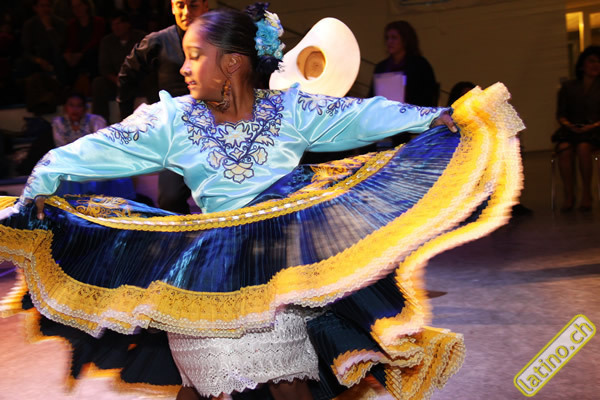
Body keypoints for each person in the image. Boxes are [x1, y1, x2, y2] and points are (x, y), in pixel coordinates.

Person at [0, 4, 525, 400]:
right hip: (205, 276)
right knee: (202, 384)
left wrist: (431, 117)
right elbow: (96, 149)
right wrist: (41, 181)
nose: (183, 68)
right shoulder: (171, 119)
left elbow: (361, 115)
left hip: (277, 280)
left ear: (232, 63)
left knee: (288, 385)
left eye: (194, 56)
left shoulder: (291, 111)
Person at [117, 0, 209, 214]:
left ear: (205, 5)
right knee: (169, 199)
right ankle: (188, 235)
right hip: (178, 134)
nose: (186, 12)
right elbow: (126, 76)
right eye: (180, 5)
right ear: (172, 7)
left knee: (225, 197)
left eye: (193, 5)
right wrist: (127, 122)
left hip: (221, 129)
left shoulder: (222, 37)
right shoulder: (158, 42)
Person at [52, 91, 136, 199]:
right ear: (65, 108)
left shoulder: (96, 120)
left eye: (79, 106)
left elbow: (99, 145)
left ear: (85, 108)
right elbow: (61, 146)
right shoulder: (59, 123)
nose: (75, 109)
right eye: (71, 105)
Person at [552, 45, 600, 211]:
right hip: (572, 130)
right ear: (582, 65)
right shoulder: (568, 87)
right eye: (592, 61)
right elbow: (561, 114)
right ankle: (569, 194)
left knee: (583, 148)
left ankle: (586, 193)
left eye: (599, 62)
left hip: (595, 131)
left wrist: (592, 126)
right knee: (564, 149)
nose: (596, 65)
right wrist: (570, 125)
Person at [91, 11, 146, 122]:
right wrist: (118, 80)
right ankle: (100, 122)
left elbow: (147, 62)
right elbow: (104, 68)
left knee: (153, 82)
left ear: (127, 24)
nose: (115, 28)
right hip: (116, 81)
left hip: (138, 79)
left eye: (118, 24)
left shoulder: (141, 38)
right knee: (98, 83)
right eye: (113, 24)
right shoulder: (107, 41)